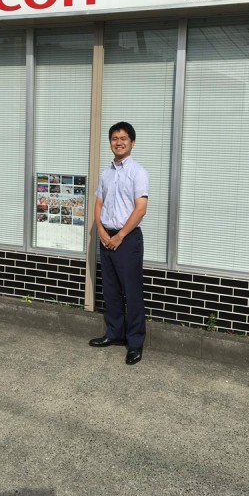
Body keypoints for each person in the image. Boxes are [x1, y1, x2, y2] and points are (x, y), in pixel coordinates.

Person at [89, 122, 149, 365]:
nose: (119, 142)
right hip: (107, 237)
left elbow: (141, 208)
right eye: (114, 138)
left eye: (123, 138)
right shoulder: (106, 173)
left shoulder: (138, 172)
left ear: (132, 142)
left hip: (127, 239)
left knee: (131, 292)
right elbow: (98, 204)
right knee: (110, 290)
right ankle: (114, 333)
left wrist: (120, 235)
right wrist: (101, 231)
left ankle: (134, 343)